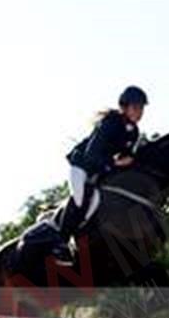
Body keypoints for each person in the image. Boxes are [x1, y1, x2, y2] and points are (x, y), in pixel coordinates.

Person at [51, 86, 148, 262]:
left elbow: (127, 157)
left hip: (101, 169)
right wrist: (114, 163)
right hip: (82, 166)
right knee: (82, 199)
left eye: (141, 108)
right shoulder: (110, 123)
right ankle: (60, 243)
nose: (139, 112)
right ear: (124, 107)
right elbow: (92, 154)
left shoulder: (134, 132)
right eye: (136, 107)